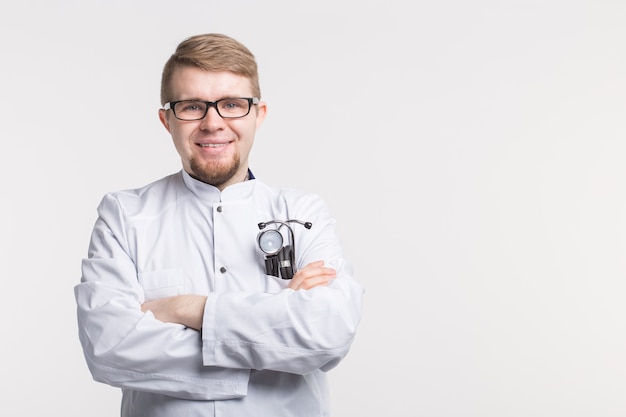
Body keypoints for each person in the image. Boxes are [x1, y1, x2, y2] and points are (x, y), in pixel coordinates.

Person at [74, 33, 364, 417]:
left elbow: (326, 336)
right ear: (167, 120)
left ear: (258, 115)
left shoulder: (303, 212)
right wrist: (277, 321)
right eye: (192, 106)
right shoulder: (125, 215)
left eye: (232, 104)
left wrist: (188, 309)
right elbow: (109, 347)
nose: (213, 123)